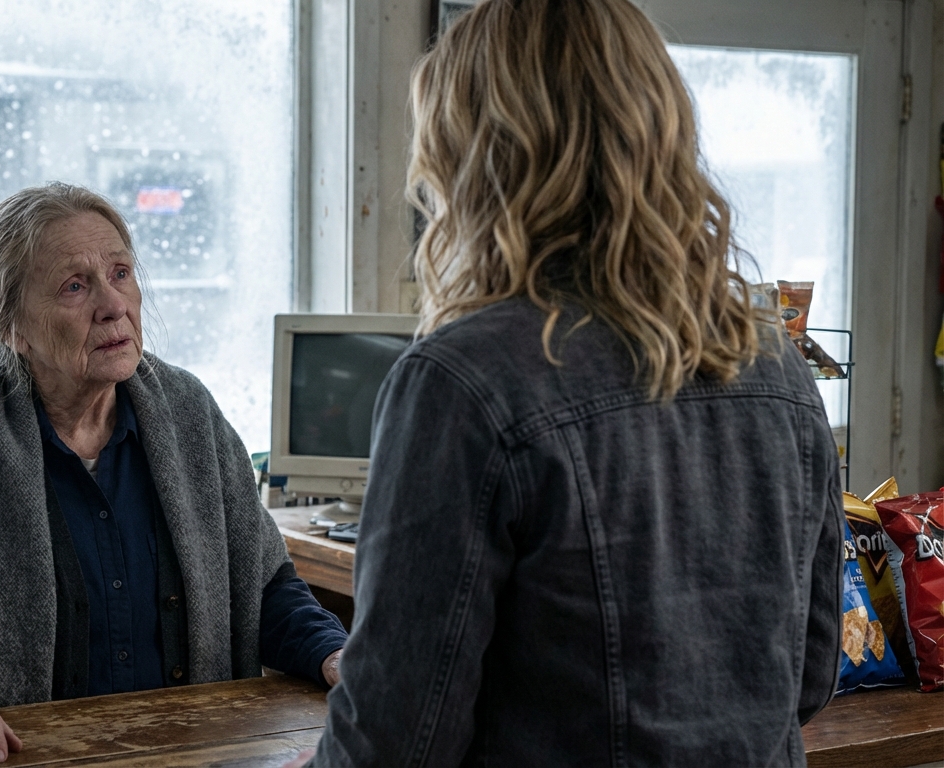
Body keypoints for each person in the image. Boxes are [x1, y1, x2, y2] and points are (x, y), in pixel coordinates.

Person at [304, 1, 842, 766]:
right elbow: (808, 677)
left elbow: (395, 743)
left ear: (479, 159)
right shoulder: (775, 364)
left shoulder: (464, 381)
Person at [0, 183, 347, 767]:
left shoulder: (188, 414)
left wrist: (333, 652)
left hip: (198, 753)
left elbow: (264, 590)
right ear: (12, 327)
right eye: (75, 286)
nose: (113, 304)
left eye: (121, 274)